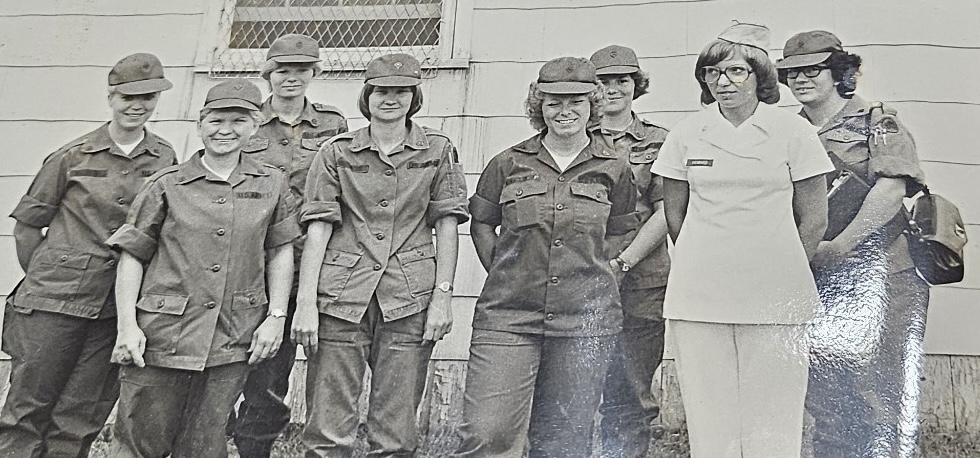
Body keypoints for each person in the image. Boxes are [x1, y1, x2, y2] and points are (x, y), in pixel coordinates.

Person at [650, 24, 833, 457]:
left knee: (773, 417)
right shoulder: (686, 134)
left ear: (759, 77)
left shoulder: (793, 132)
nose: (722, 82)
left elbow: (814, 218)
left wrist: (781, 267)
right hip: (701, 296)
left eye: (735, 71)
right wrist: (706, 257)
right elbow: (675, 213)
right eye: (712, 73)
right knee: (710, 416)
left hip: (775, 296)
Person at [455, 56, 637, 458]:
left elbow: (622, 228)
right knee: (487, 432)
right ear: (539, 106)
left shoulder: (614, 168)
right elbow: (482, 223)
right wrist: (504, 268)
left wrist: (600, 269)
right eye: (553, 101)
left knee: (565, 439)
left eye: (575, 101)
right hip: (508, 316)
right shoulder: (507, 163)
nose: (565, 110)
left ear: (593, 104)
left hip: (583, 321)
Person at [106, 78, 300, 457]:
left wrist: (276, 317)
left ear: (255, 125)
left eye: (238, 121)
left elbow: (280, 251)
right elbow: (132, 255)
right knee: (140, 442)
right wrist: (127, 326)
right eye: (215, 120)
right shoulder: (167, 184)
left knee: (205, 444)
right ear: (200, 124)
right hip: (162, 335)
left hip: (232, 336)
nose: (225, 130)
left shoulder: (272, 184)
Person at [0, 53, 177, 457]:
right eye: (128, 96)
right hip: (51, 304)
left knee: (81, 416)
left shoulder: (165, 159)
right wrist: (51, 275)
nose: (138, 105)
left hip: (115, 307)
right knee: (27, 410)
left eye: (148, 97)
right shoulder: (72, 156)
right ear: (111, 96)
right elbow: (28, 226)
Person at [293, 53, 468, 457]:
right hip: (341, 298)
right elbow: (318, 226)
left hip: (409, 298)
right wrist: (306, 303)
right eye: (381, 90)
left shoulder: (438, 150)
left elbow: (447, 224)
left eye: (401, 91)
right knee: (327, 430)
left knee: (395, 432)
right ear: (367, 95)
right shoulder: (336, 152)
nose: (390, 99)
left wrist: (443, 297)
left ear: (414, 96)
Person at [775, 30, 930, 458]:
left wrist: (841, 246)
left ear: (840, 72)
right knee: (825, 394)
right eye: (792, 73)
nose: (801, 79)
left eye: (813, 70)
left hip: (879, 274)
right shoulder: (784, 129)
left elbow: (891, 189)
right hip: (815, 276)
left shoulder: (876, 123)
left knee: (879, 391)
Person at [228, 33, 348, 458]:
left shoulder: (333, 125)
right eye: (283, 70)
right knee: (243, 369)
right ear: (268, 74)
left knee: (293, 374)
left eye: (301, 70)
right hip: (249, 263)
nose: (291, 78)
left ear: (314, 73)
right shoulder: (245, 120)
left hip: (309, 264)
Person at [588, 45, 671, 458]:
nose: (612, 89)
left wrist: (625, 261)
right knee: (573, 389)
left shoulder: (660, 141)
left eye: (622, 80)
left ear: (636, 85)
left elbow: (668, 211)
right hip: (579, 277)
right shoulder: (571, 137)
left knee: (631, 388)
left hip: (640, 281)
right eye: (602, 81)